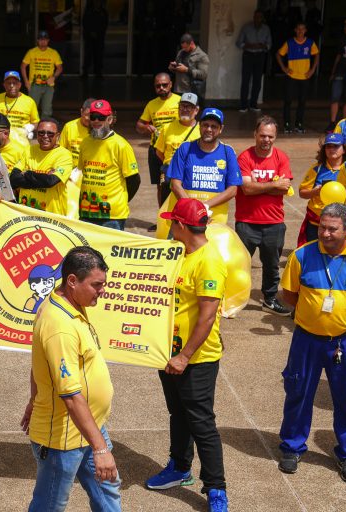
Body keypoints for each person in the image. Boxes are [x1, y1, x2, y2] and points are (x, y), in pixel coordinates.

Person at [277, 203, 346, 483]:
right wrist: (314, 316)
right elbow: (289, 295)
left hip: (345, 341)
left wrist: (342, 321)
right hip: (307, 339)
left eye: (332, 229)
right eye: (322, 227)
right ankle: (292, 447)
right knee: (298, 392)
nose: (324, 233)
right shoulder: (301, 255)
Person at [21, 246, 120, 512]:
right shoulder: (60, 326)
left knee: (108, 490)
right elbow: (72, 397)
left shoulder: (71, 304)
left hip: (88, 426)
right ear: (73, 281)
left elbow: (40, 364)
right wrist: (101, 449)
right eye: (96, 285)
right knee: (49, 506)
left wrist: (34, 399)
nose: (102, 291)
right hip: (63, 439)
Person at [146, 198, 229, 512]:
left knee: (201, 422)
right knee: (178, 414)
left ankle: (216, 488)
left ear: (180, 225)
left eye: (171, 222)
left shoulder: (209, 260)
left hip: (196, 359)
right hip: (168, 353)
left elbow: (207, 317)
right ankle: (180, 467)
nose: (168, 226)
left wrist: (185, 356)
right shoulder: (177, 252)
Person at [235, 116, 293, 316]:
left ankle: (269, 299)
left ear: (275, 137)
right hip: (247, 222)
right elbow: (247, 189)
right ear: (255, 134)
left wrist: (258, 185)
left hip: (274, 222)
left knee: (272, 266)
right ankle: (234, 299)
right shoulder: (245, 157)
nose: (266, 139)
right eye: (262, 135)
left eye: (270, 136)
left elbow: (284, 188)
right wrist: (273, 185)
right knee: (240, 264)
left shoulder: (281, 157)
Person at [166, 108, 242, 224]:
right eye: (205, 125)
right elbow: (175, 184)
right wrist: (193, 209)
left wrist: (205, 206)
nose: (209, 129)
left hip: (215, 220)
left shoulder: (228, 152)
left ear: (221, 129)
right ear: (199, 126)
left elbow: (232, 190)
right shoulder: (185, 148)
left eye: (214, 126)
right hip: (185, 217)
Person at [77, 100, 140, 230]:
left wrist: (120, 200)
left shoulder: (121, 145)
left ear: (110, 120)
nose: (96, 121)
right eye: (93, 117)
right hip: (86, 212)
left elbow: (134, 180)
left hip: (112, 216)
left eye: (101, 117)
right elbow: (81, 173)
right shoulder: (85, 143)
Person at [10, 118, 72, 215]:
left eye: (50, 133)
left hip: (51, 216)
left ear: (58, 136)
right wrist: (42, 178)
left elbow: (51, 181)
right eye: (41, 133)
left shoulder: (64, 155)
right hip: (25, 213)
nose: (45, 136)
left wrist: (27, 174)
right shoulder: (29, 150)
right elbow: (13, 179)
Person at [136, 73, 181, 209]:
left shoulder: (180, 102)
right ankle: (162, 216)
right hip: (156, 149)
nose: (161, 88)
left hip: (175, 149)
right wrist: (146, 127)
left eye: (164, 85)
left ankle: (180, 214)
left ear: (171, 84)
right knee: (161, 185)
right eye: (158, 86)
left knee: (179, 184)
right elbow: (139, 125)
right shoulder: (151, 104)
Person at [297, 134, 346, 245]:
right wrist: (314, 192)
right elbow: (302, 193)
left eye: (336, 146)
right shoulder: (317, 168)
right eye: (328, 146)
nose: (332, 149)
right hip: (316, 223)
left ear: (344, 149)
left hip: (339, 222)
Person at [153, 92, 201, 208]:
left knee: (187, 206)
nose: (185, 109)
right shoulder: (167, 128)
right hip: (169, 172)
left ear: (196, 110)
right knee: (166, 205)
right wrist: (172, 165)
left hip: (190, 173)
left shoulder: (201, 130)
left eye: (189, 107)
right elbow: (159, 151)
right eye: (182, 106)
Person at [276, 21, 319, 134]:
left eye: (302, 29)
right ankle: (287, 124)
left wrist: (312, 70)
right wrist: (284, 68)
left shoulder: (310, 42)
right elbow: (278, 54)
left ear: (305, 31)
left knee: (302, 102)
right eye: (298, 29)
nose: (300, 31)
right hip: (292, 76)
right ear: (295, 30)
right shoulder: (290, 42)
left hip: (305, 76)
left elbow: (317, 54)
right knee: (288, 101)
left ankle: (299, 124)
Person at [0, 70, 40, 144]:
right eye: (9, 83)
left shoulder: (29, 101)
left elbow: (36, 122)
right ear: (4, 85)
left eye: (15, 83)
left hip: (21, 140)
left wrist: (29, 129)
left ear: (20, 85)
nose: (12, 86)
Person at [21, 31, 63, 118]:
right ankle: (32, 126)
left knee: (47, 110)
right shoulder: (32, 52)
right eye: (41, 39)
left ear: (48, 40)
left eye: (45, 39)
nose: (43, 42)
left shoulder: (53, 53)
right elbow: (23, 66)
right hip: (34, 85)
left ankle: (45, 125)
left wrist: (54, 77)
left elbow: (60, 67)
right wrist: (26, 82)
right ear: (37, 40)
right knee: (32, 108)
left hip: (48, 85)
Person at [236, 10, 271, 113]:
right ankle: (243, 105)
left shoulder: (266, 29)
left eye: (260, 17)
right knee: (245, 80)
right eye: (256, 17)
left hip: (260, 56)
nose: (257, 19)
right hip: (248, 55)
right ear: (253, 17)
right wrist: (248, 45)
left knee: (257, 81)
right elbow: (238, 43)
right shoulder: (246, 27)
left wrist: (262, 46)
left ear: (262, 18)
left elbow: (269, 44)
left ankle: (253, 104)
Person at [169, 33, 209, 104]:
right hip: (178, 89)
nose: (183, 49)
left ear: (191, 43)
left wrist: (186, 70)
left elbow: (203, 74)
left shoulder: (202, 56)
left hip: (191, 91)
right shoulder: (181, 52)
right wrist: (173, 67)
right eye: (182, 47)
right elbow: (179, 68)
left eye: (185, 47)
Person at [60, 98, 94, 168]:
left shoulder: (99, 129)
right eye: (87, 114)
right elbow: (60, 150)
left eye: (92, 116)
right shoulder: (69, 126)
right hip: (71, 168)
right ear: (81, 111)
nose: (88, 118)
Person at [82, 0, 108, 78]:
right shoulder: (89, 11)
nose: (97, 3)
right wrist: (90, 32)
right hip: (89, 38)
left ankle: (98, 72)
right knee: (88, 55)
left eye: (98, 1)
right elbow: (85, 23)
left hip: (99, 38)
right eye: (96, 1)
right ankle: (85, 72)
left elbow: (105, 24)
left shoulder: (103, 12)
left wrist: (98, 33)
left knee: (98, 55)